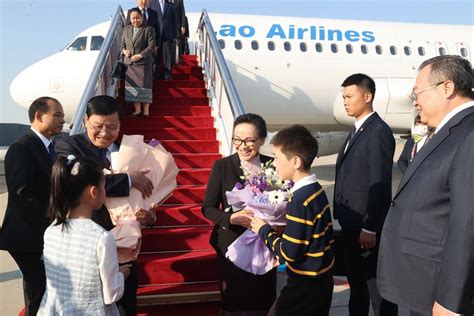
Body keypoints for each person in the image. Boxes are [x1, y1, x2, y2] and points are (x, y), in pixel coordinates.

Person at [378, 55, 474, 315]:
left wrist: (450, 300)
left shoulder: (469, 133)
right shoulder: (450, 130)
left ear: (447, 87)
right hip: (422, 283)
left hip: (440, 292)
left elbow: (467, 223)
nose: (415, 101)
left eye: (418, 92)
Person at [55, 95, 153, 316]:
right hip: (89, 243)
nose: (104, 133)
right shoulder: (69, 145)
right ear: (86, 120)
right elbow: (77, 181)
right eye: (98, 126)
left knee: (127, 306)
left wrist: (150, 215)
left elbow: (145, 194)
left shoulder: (129, 149)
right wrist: (129, 179)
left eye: (112, 127)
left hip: (126, 247)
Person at [250, 124, 335, 316]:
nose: (274, 163)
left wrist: (263, 230)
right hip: (320, 281)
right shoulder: (316, 190)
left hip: (305, 285)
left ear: (295, 161)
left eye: (277, 157)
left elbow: (290, 253)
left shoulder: (300, 200)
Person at [333, 73, 397, 316]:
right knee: (357, 285)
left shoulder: (378, 131)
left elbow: (379, 182)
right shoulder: (357, 130)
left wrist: (371, 226)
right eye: (344, 97)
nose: (345, 102)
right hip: (351, 224)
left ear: (367, 96)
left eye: (349, 96)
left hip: (365, 227)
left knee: (377, 289)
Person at [202, 113, 276, 315]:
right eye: (237, 139)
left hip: (264, 244)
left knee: (263, 301)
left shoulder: (273, 166)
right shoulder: (222, 166)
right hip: (232, 246)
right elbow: (207, 207)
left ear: (261, 140)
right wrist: (230, 218)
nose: (243, 145)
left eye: (250, 140)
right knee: (235, 303)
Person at [38, 156, 129, 315]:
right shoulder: (101, 238)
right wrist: (122, 274)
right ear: (93, 192)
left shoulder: (51, 230)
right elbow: (111, 294)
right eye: (104, 186)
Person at [0, 97, 64, 316]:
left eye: (63, 117)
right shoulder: (22, 148)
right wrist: (58, 215)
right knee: (41, 291)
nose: (62, 121)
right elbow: (21, 196)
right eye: (57, 115)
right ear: (39, 116)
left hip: (41, 232)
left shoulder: (49, 147)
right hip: (27, 235)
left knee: (41, 290)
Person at [122, 8, 156, 117]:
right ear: (130, 19)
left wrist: (140, 55)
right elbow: (122, 44)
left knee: (144, 86)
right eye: (133, 18)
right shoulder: (126, 29)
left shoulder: (148, 29)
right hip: (130, 63)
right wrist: (124, 51)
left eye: (137, 18)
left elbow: (151, 46)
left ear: (142, 18)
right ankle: (137, 110)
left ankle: (146, 110)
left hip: (143, 63)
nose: (135, 20)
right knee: (133, 87)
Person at [126, 0, 162, 81]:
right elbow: (126, 30)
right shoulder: (131, 12)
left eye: (146, 0)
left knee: (149, 68)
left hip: (149, 45)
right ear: (136, 1)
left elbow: (158, 30)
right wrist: (126, 47)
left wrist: (157, 45)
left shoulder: (153, 13)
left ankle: (150, 81)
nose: (143, 1)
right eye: (141, 0)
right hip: (135, 45)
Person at [150, 0, 178, 80]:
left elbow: (174, 21)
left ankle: (167, 73)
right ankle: (156, 73)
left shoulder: (170, 5)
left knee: (167, 55)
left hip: (167, 33)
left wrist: (175, 35)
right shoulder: (152, 4)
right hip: (155, 33)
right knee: (156, 55)